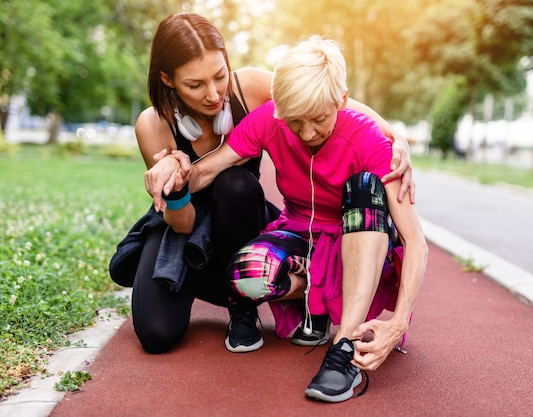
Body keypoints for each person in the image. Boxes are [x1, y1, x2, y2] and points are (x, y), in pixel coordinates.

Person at [111, 12, 415, 354]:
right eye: (195, 85)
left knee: (235, 183)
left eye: (219, 76)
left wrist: (395, 136)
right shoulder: (152, 125)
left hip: (242, 215)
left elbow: (322, 98)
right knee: (155, 335)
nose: (213, 95)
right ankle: (224, 282)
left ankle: (242, 309)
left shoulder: (251, 87)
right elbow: (183, 223)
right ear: (168, 79)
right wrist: (177, 181)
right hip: (185, 226)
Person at [150, 36, 428, 403]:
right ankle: (315, 298)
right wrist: (177, 170)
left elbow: (415, 241)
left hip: (357, 242)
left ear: (341, 101)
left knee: (363, 186)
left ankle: (342, 351)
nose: (308, 133)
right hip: (300, 235)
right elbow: (207, 171)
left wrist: (398, 323)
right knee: (245, 277)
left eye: (319, 119)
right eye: (295, 121)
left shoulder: (370, 140)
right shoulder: (268, 119)